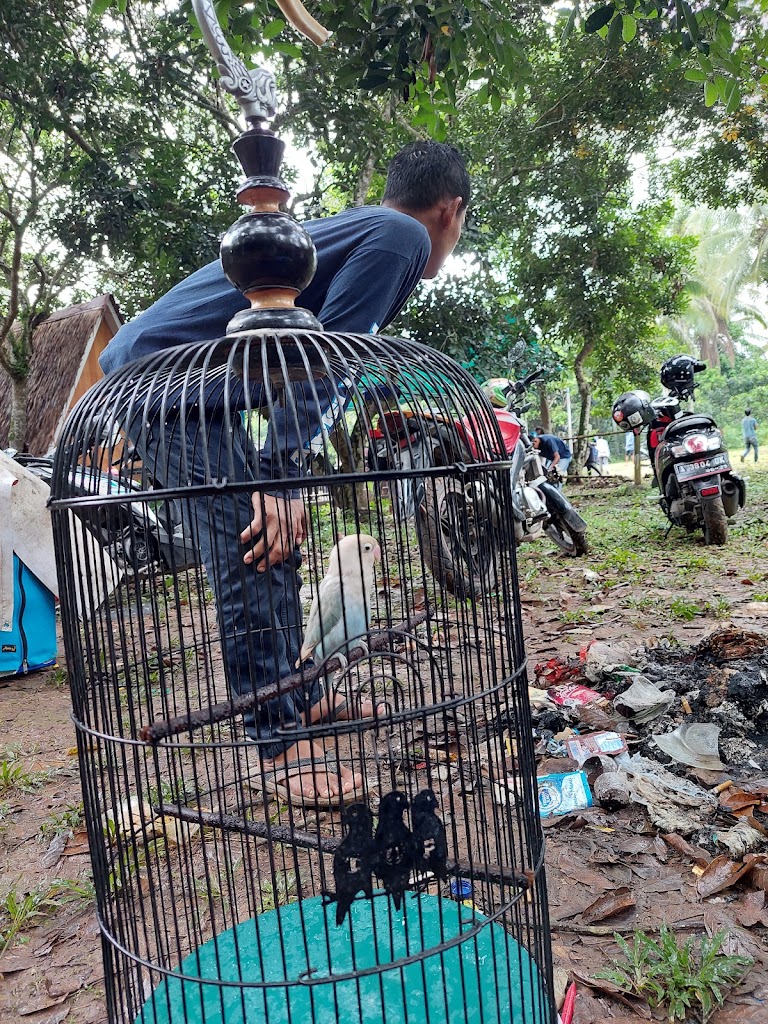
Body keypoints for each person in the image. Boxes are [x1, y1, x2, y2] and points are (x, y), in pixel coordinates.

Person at [99, 140, 470, 805]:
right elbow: (323, 360)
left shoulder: (374, 230)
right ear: (452, 210)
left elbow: (307, 356)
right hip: (157, 382)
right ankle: (278, 744)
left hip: (198, 387)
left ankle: (302, 701)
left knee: (279, 534)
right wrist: (280, 474)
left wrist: (282, 478)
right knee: (253, 546)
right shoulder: (401, 238)